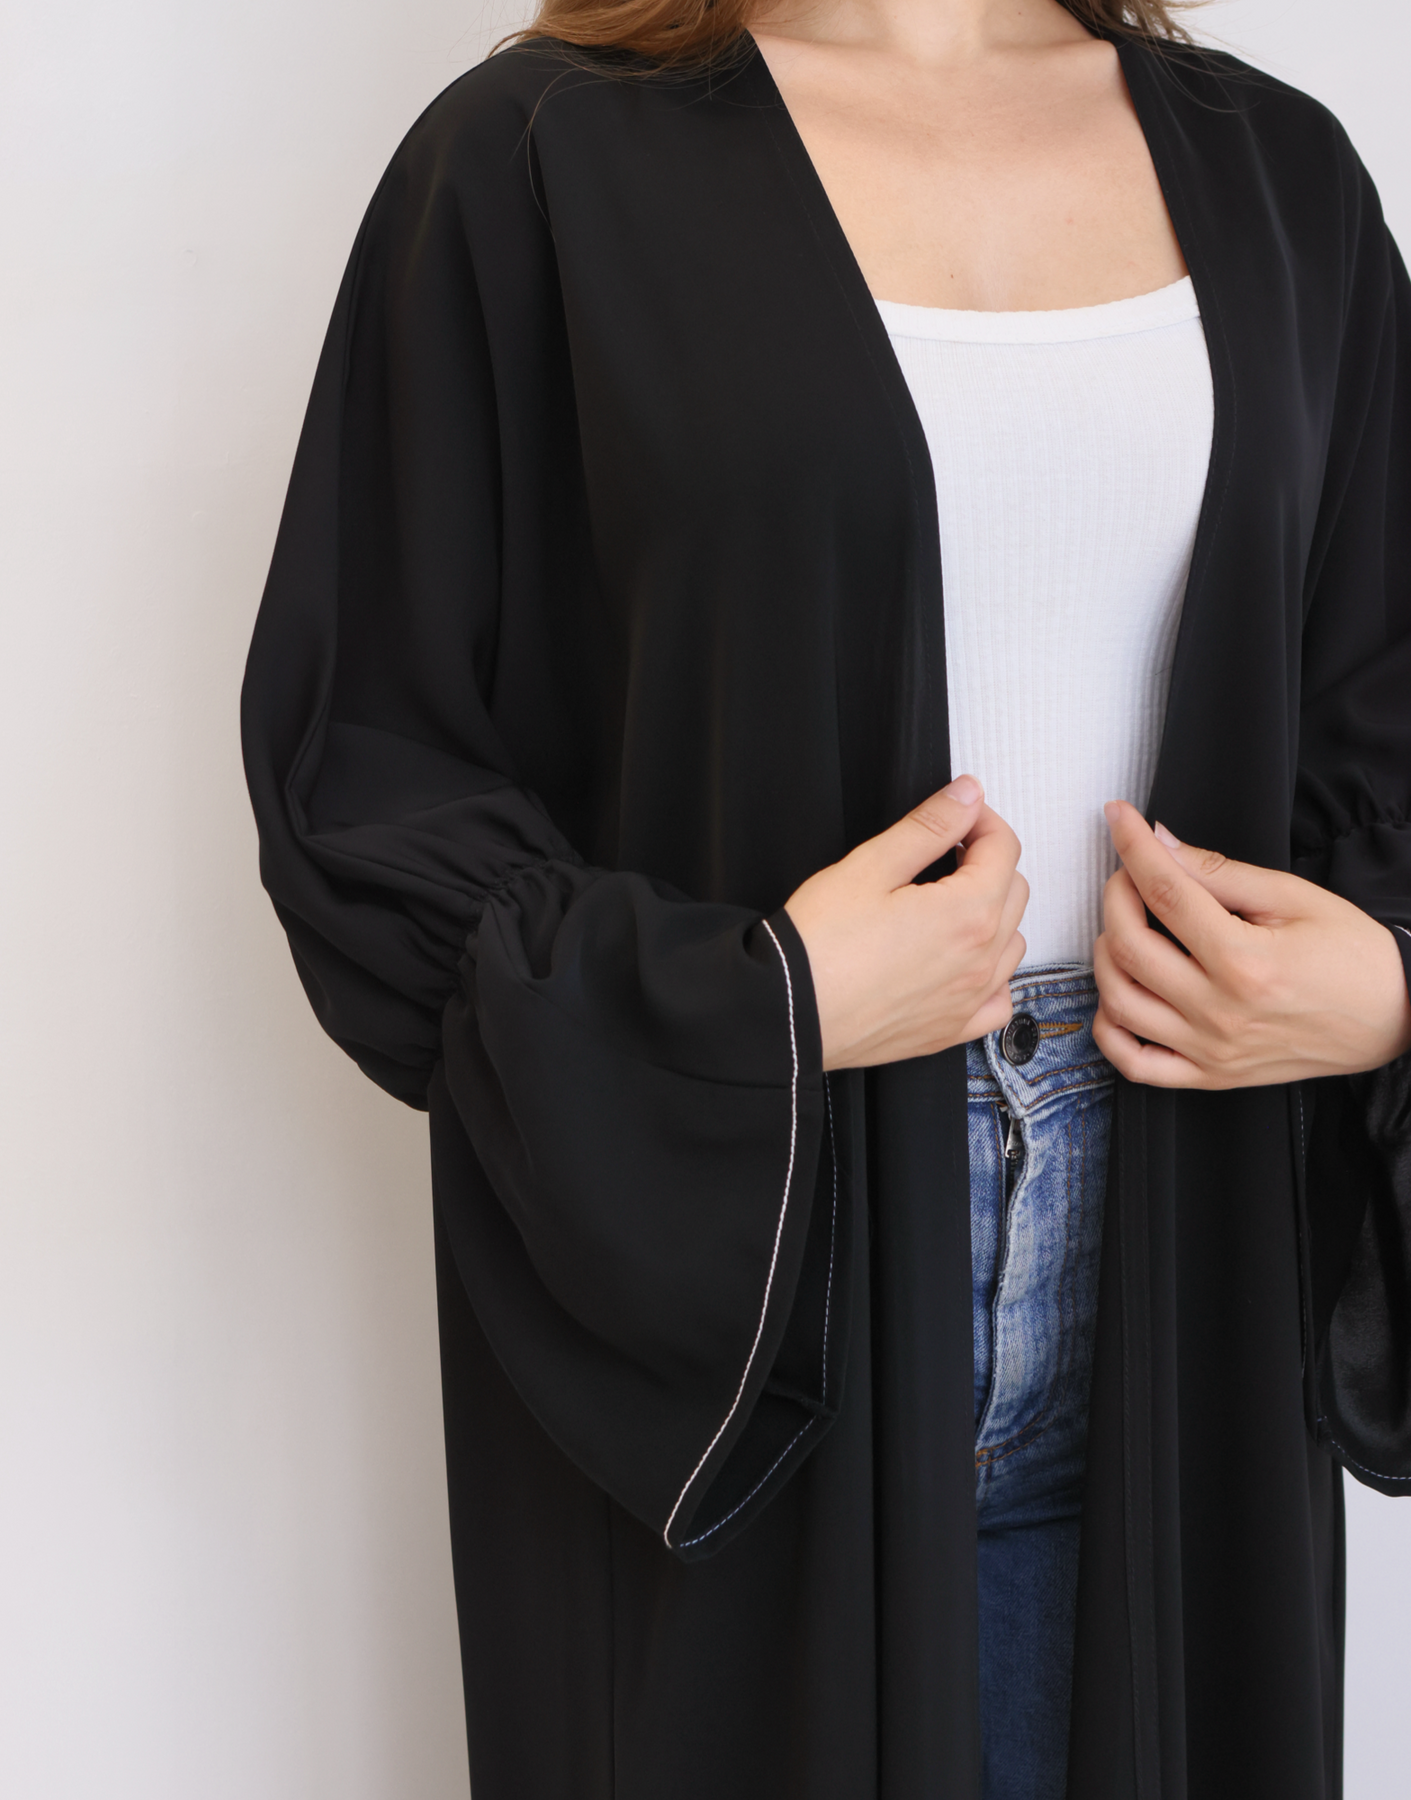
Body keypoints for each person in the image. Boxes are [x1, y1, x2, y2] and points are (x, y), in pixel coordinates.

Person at [241, 0, 1411, 1793]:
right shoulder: (537, 159)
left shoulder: (1278, 171)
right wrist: (756, 1005)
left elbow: (1385, 685)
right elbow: (370, 769)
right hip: (754, 1272)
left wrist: (1389, 989)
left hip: (1192, 1228)